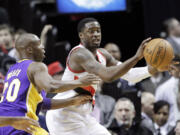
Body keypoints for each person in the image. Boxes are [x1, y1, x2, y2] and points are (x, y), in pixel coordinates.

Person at [46, 17, 156, 135]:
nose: (96, 34)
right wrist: (136, 57)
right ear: (81, 35)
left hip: (83, 115)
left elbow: (130, 75)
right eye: (91, 31)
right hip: (63, 115)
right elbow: (108, 76)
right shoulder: (79, 54)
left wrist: (154, 68)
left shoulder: (103, 54)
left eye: (98, 31)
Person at [0, 33, 99, 135]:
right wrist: (80, 82)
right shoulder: (36, 66)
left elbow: (43, 103)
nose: (43, 47)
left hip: (3, 123)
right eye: (39, 44)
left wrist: (72, 101)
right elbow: (51, 86)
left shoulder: (12, 70)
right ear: (29, 50)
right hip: (21, 123)